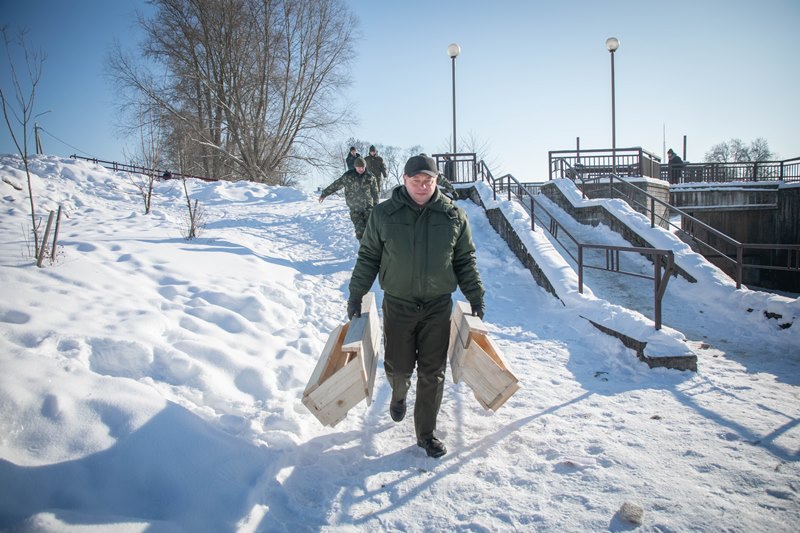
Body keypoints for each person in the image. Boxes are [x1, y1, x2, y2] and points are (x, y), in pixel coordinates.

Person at [346, 153, 485, 459]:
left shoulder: (453, 215)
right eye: (416, 180)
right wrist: (356, 294)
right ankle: (398, 394)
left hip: (437, 306)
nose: (423, 186)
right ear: (405, 180)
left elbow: (464, 260)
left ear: (436, 181)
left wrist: (475, 295)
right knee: (399, 368)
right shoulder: (383, 214)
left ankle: (426, 434)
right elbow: (368, 256)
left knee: (433, 372)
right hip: (399, 304)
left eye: (428, 180)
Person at [319, 157, 379, 241]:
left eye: (363, 167)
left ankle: (371, 247)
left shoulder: (370, 176)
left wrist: (376, 207)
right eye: (359, 167)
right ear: (355, 167)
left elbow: (375, 193)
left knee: (370, 230)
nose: (361, 169)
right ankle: (363, 247)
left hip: (368, 208)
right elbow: (336, 185)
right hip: (355, 209)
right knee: (360, 231)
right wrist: (324, 193)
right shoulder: (348, 176)